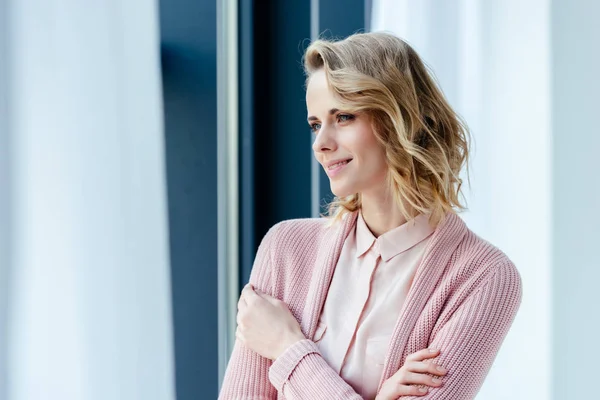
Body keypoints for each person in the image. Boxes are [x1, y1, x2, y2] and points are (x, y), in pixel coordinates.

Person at [219, 32, 522, 400]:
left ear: (401, 119)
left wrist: (289, 348)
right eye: (315, 124)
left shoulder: (483, 278)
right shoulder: (285, 250)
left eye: (343, 117)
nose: (320, 143)